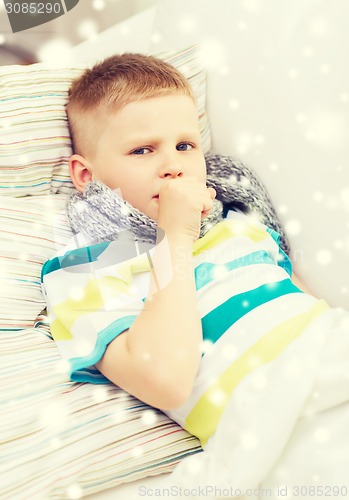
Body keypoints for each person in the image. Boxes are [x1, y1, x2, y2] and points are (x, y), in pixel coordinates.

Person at [41, 53, 326, 448]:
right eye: (143, 150)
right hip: (277, 421)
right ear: (86, 176)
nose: (173, 165)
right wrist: (175, 235)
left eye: (185, 145)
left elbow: (313, 308)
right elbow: (166, 381)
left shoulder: (237, 222)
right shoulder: (84, 268)